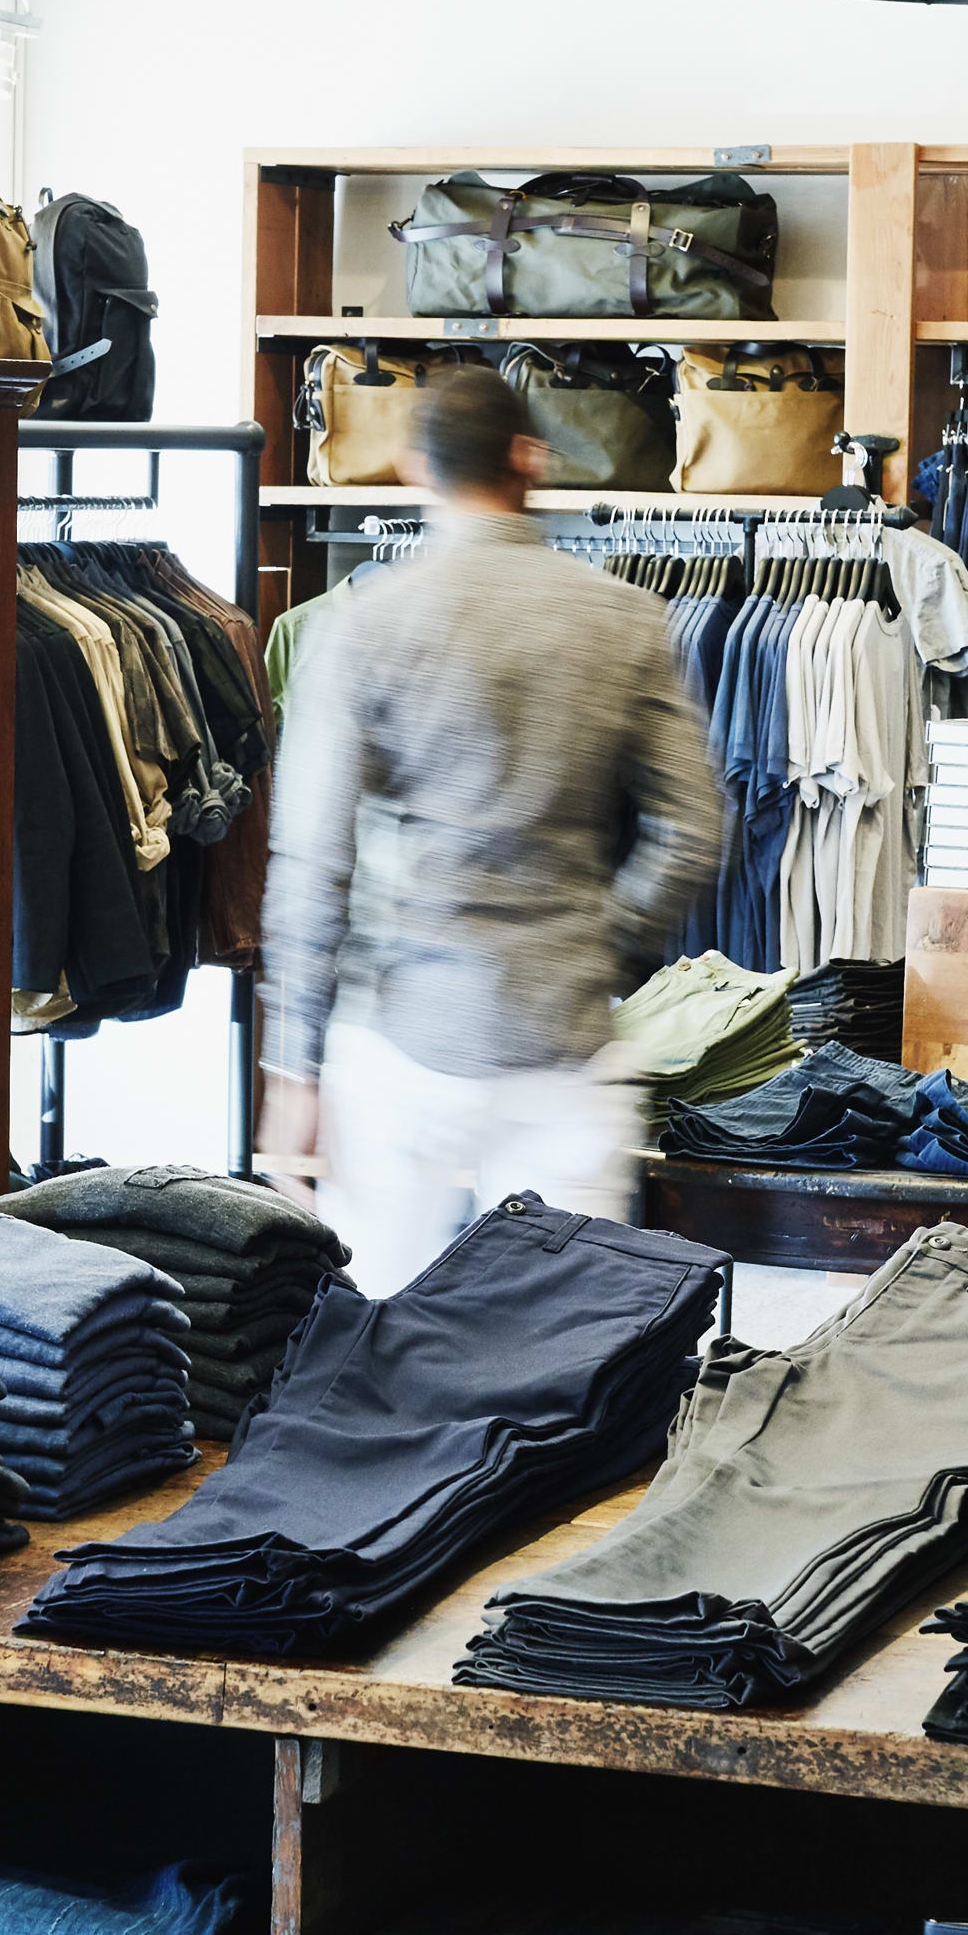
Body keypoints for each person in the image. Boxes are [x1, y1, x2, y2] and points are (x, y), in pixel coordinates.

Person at [254, 365, 725, 1290]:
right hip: (567, 1039)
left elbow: (313, 862)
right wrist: (599, 937)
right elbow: (694, 828)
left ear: (413, 469)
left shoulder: (367, 623)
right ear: (529, 460)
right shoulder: (626, 619)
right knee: (565, 1356)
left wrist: (292, 1073)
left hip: (402, 1039)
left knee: (379, 1328)